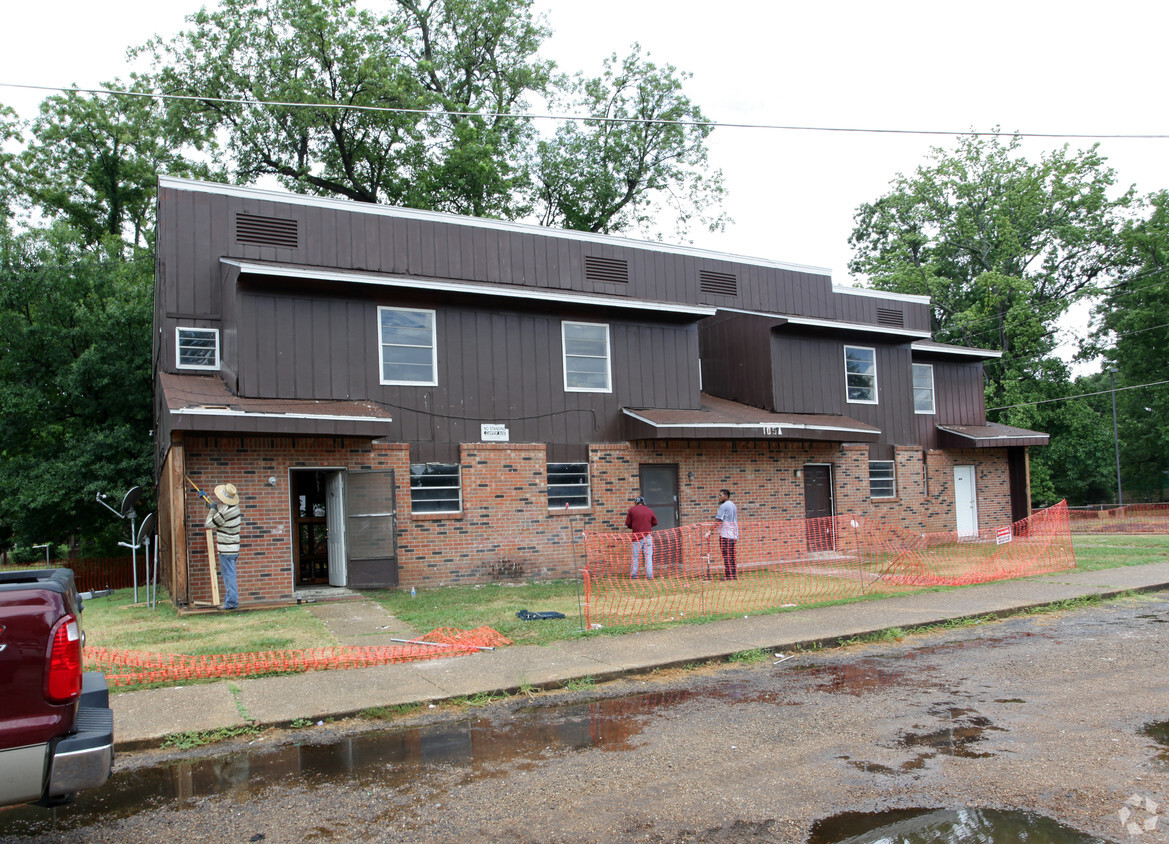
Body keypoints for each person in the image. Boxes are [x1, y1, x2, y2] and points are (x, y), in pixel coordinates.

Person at [205, 482, 243, 610]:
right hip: (232, 549)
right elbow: (219, 510)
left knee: (229, 576)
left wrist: (212, 509)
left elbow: (209, 524)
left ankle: (231, 602)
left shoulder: (226, 512)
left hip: (226, 550)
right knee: (230, 574)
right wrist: (209, 502)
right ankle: (231, 601)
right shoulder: (234, 508)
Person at [625, 495, 658, 579]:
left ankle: (634, 574)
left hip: (636, 537)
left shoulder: (632, 510)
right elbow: (655, 522)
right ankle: (649, 575)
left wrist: (633, 526)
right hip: (647, 536)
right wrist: (648, 525)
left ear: (636, 503)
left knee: (635, 556)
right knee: (648, 556)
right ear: (643, 502)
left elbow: (627, 523)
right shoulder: (649, 510)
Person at [714, 488, 738, 580]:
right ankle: (733, 573)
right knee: (731, 555)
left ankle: (729, 575)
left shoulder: (724, 506)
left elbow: (718, 519)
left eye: (720, 495)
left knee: (727, 555)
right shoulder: (733, 505)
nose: (719, 497)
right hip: (733, 534)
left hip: (726, 535)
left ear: (726, 496)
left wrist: (710, 530)